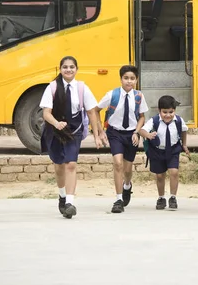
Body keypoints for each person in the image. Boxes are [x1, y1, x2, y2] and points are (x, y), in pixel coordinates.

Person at [40, 56, 102, 218]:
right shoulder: (52, 87)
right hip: (55, 131)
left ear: (77, 69)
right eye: (65, 67)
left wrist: (96, 135)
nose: (68, 70)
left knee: (71, 164)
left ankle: (70, 202)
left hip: (73, 132)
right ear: (60, 69)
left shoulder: (82, 88)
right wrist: (56, 123)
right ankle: (62, 195)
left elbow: (91, 112)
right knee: (59, 165)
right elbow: (46, 113)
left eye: (72, 67)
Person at [95, 65, 149, 213]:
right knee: (117, 163)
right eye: (126, 78)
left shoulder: (139, 96)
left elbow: (142, 116)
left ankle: (127, 186)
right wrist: (100, 131)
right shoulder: (112, 94)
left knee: (127, 168)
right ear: (121, 79)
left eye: (132, 78)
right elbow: (95, 110)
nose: (129, 81)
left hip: (131, 133)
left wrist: (136, 132)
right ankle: (118, 199)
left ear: (136, 80)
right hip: (115, 133)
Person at [139, 95, 190, 210]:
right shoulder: (154, 120)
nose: (168, 115)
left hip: (173, 150)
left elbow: (184, 131)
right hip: (157, 151)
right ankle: (161, 197)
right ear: (159, 111)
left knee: (174, 172)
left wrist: (184, 145)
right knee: (160, 175)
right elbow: (142, 130)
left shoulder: (178, 120)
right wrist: (148, 135)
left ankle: (173, 197)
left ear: (174, 111)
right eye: (164, 112)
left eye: (171, 112)